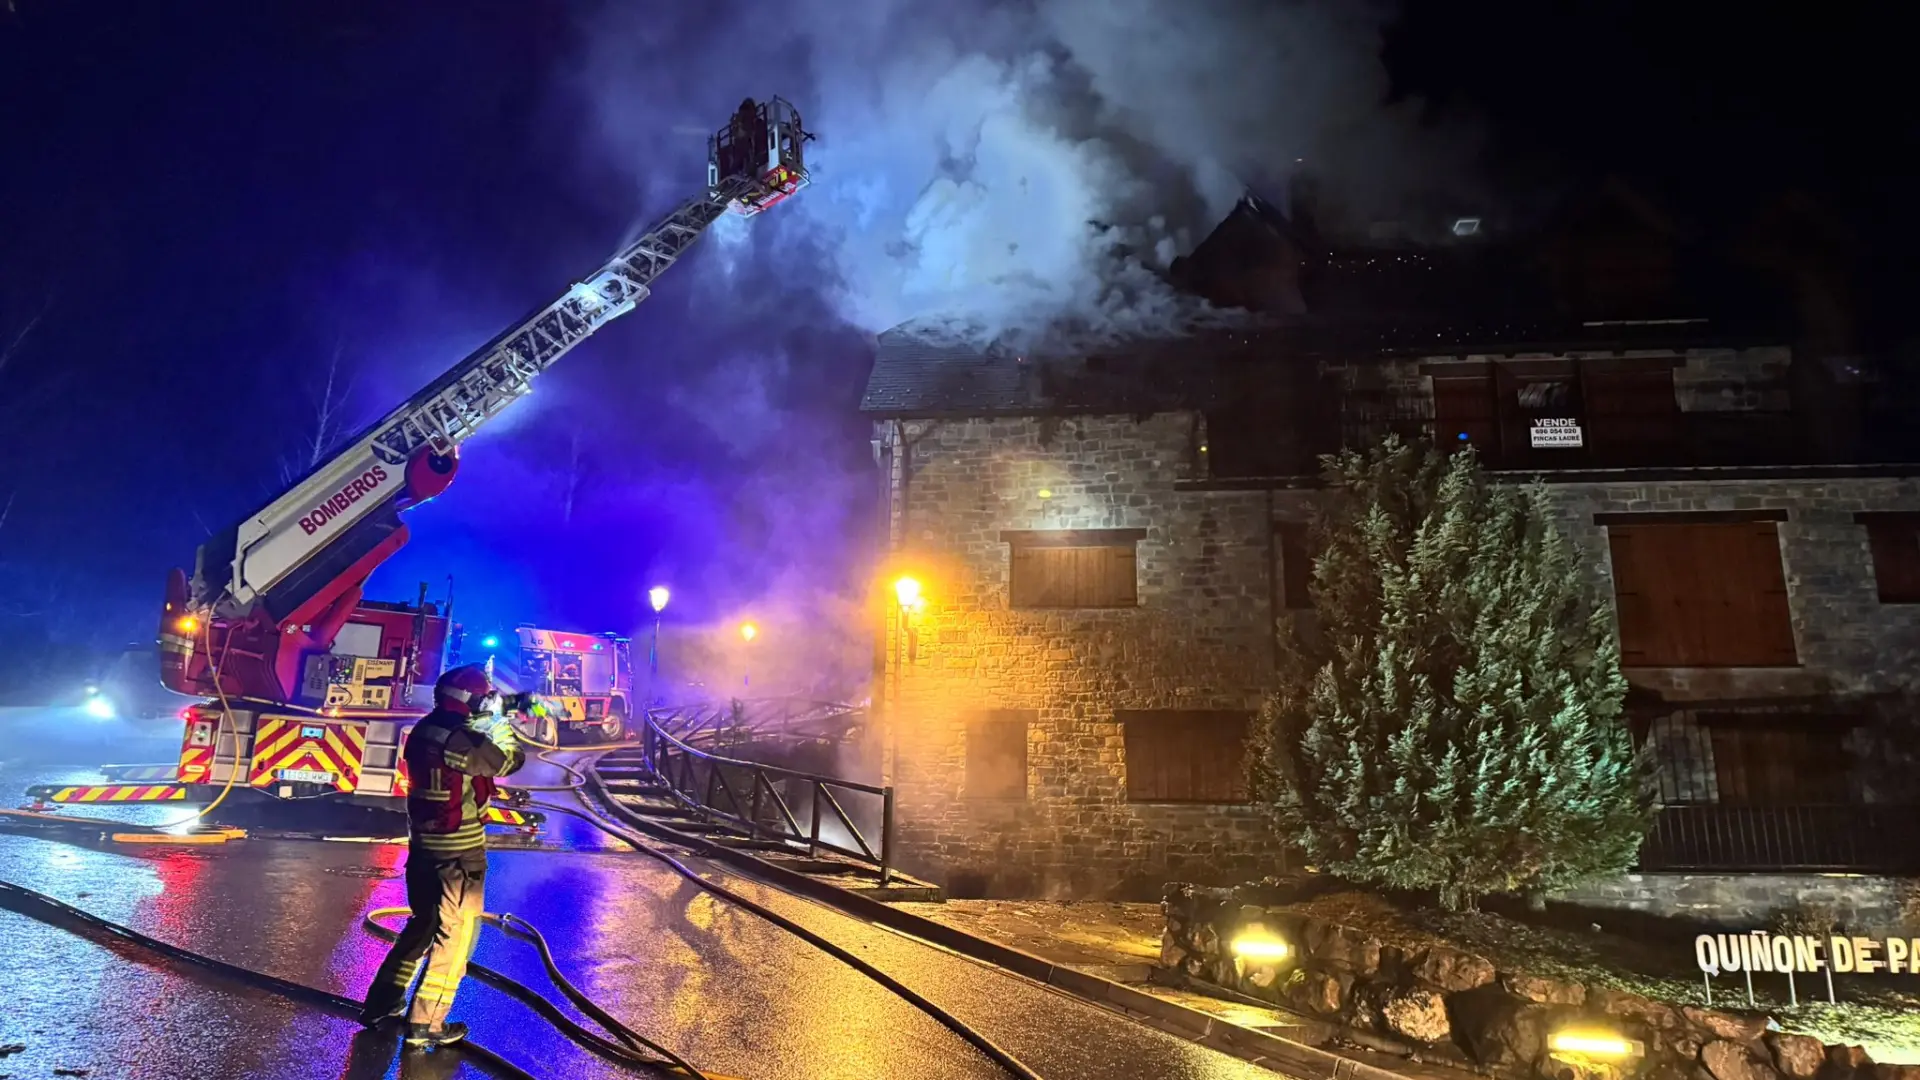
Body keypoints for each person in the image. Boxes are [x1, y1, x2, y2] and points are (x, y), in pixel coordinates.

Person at [359, 664, 528, 1047]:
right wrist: (499, 725)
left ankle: (382, 1003)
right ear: (470, 699)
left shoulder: (426, 729)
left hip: (423, 848)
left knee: (422, 925)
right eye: (482, 696)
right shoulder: (460, 738)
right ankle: (426, 1025)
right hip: (458, 856)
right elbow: (508, 762)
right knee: (455, 939)